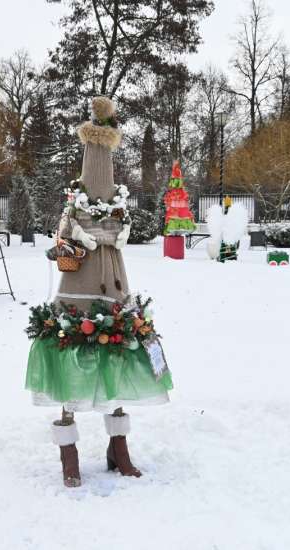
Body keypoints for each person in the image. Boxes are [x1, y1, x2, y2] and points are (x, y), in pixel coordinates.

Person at [25, 97, 173, 487]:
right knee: (68, 355)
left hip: (115, 287)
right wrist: (86, 232)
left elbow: (119, 234)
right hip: (78, 289)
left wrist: (103, 230)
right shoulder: (73, 208)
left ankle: (118, 448)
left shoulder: (117, 209)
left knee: (118, 358)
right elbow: (71, 236)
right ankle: (68, 452)